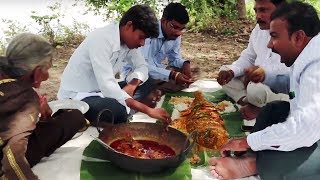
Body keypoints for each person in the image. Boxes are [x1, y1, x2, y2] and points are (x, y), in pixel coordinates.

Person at [209, 2, 320, 179]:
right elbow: (292, 83)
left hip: (313, 132)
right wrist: (265, 77)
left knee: (275, 166)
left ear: (298, 37)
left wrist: (246, 141)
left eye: (274, 37)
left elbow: (304, 129)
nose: (270, 45)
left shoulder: (316, 66)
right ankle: (253, 157)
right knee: (273, 109)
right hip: (312, 125)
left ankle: (254, 164)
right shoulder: (306, 55)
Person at [58, 5, 172, 125]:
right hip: (78, 96)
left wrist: (132, 85)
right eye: (141, 37)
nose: (142, 43)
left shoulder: (128, 42)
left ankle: (127, 104)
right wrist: (148, 110)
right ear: (129, 26)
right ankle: (125, 107)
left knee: (147, 82)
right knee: (117, 110)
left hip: (102, 91)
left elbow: (142, 66)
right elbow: (107, 85)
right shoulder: (101, 40)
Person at [0, 33, 87, 179]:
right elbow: (13, 157)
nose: (47, 76)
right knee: (74, 117)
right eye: (47, 69)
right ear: (37, 72)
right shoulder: (26, 99)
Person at [217, 0, 289, 120]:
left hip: (280, 88)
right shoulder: (258, 30)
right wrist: (232, 72)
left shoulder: (292, 31)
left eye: (263, 10)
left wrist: (260, 75)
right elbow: (248, 57)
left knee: (256, 89)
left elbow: (289, 74)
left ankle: (260, 106)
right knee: (225, 72)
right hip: (255, 82)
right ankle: (249, 103)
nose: (257, 16)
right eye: (256, 10)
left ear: (280, 9)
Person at [123, 3, 194, 107]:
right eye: (175, 27)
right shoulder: (148, 30)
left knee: (193, 72)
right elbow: (142, 67)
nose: (178, 33)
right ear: (163, 21)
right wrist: (172, 75)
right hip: (135, 73)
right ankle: (144, 97)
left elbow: (174, 59)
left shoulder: (175, 35)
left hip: (156, 72)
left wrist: (185, 64)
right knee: (145, 80)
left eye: (182, 29)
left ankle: (157, 92)